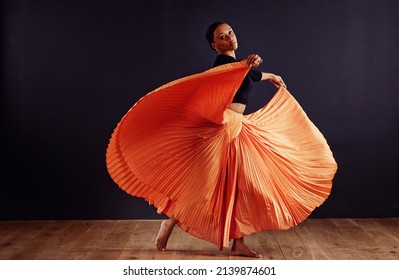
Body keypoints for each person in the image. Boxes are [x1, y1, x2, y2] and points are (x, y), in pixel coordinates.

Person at [106, 21, 337, 258]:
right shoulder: (223, 64)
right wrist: (249, 61)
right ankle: (170, 223)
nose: (229, 37)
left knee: (239, 187)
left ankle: (238, 243)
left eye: (230, 32)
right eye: (222, 37)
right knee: (204, 188)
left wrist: (271, 75)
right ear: (215, 45)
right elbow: (239, 69)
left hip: (239, 126)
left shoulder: (238, 67)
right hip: (223, 129)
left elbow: (252, 74)